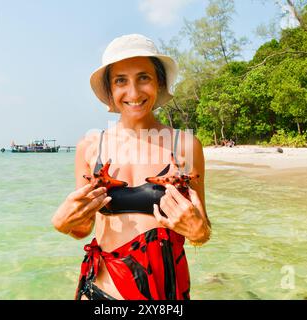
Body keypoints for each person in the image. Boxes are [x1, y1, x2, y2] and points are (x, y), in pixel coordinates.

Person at [51, 34, 211, 300]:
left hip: (165, 294)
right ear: (110, 91)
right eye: (121, 81)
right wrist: (63, 223)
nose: (134, 93)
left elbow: (201, 231)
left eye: (144, 77)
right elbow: (83, 229)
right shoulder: (91, 147)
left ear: (159, 82)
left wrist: (198, 231)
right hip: (100, 292)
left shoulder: (185, 146)